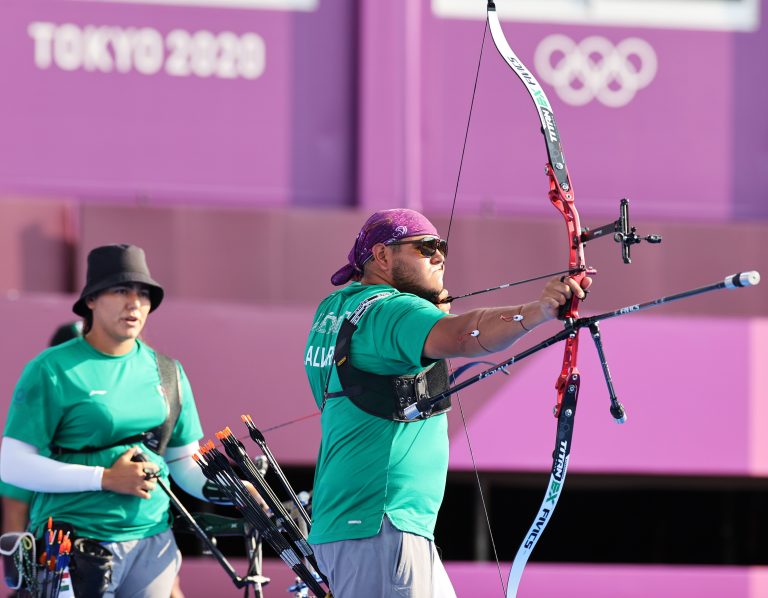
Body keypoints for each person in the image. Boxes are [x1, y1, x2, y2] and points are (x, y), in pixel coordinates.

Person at [304, 209, 591, 598]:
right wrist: (538, 311)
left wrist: (432, 315)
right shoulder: (392, 309)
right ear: (383, 256)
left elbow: (381, 367)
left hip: (353, 522)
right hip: (381, 524)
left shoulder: (333, 310)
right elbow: (460, 335)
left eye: (441, 247)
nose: (439, 256)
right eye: (425, 248)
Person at [0, 244, 220, 598]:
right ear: (91, 301)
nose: (134, 303)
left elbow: (183, 461)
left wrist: (230, 493)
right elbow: (11, 466)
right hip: (74, 545)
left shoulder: (168, 372)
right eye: (121, 290)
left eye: (143, 293)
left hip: (153, 543)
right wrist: (105, 479)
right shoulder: (50, 369)